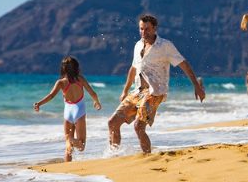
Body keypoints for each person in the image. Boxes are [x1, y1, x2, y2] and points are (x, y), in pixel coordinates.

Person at [108, 14, 206, 153]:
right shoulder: (138, 45)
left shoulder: (165, 46)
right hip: (138, 91)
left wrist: (197, 86)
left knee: (138, 126)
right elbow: (133, 68)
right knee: (112, 123)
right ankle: (114, 155)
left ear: (154, 28)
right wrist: (125, 90)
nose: (144, 32)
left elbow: (184, 64)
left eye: (147, 29)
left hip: (155, 92)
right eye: (141, 29)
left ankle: (147, 157)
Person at [33, 56, 101, 162]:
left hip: (68, 113)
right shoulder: (80, 79)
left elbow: (51, 96)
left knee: (68, 147)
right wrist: (96, 102)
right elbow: (92, 93)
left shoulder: (61, 83)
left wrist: (39, 103)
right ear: (76, 68)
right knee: (81, 146)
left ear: (63, 69)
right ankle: (70, 138)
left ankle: (67, 161)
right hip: (79, 112)